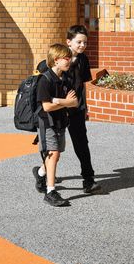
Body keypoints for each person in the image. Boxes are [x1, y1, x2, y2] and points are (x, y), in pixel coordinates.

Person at [33, 24, 104, 195]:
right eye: (79, 42)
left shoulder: (83, 60)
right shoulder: (57, 61)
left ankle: (88, 180)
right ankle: (43, 174)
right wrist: (57, 102)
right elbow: (44, 80)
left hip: (76, 110)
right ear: (68, 42)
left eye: (85, 43)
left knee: (81, 145)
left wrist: (83, 106)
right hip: (58, 110)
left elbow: (81, 86)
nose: (82, 46)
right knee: (54, 148)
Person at [35, 43, 76, 207]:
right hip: (47, 122)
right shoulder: (45, 80)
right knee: (53, 154)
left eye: (70, 58)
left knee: (56, 154)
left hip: (60, 121)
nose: (70, 61)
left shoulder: (66, 78)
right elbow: (46, 107)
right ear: (56, 60)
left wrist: (59, 102)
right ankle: (50, 191)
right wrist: (65, 102)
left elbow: (75, 101)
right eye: (67, 58)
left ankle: (40, 173)